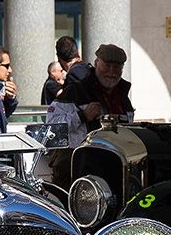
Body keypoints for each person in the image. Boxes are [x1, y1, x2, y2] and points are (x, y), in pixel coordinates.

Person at [48, 44, 133, 186]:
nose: (112, 72)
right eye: (107, 65)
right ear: (96, 63)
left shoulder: (123, 97)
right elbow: (52, 130)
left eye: (117, 67)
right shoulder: (75, 91)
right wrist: (82, 116)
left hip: (112, 168)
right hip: (76, 169)